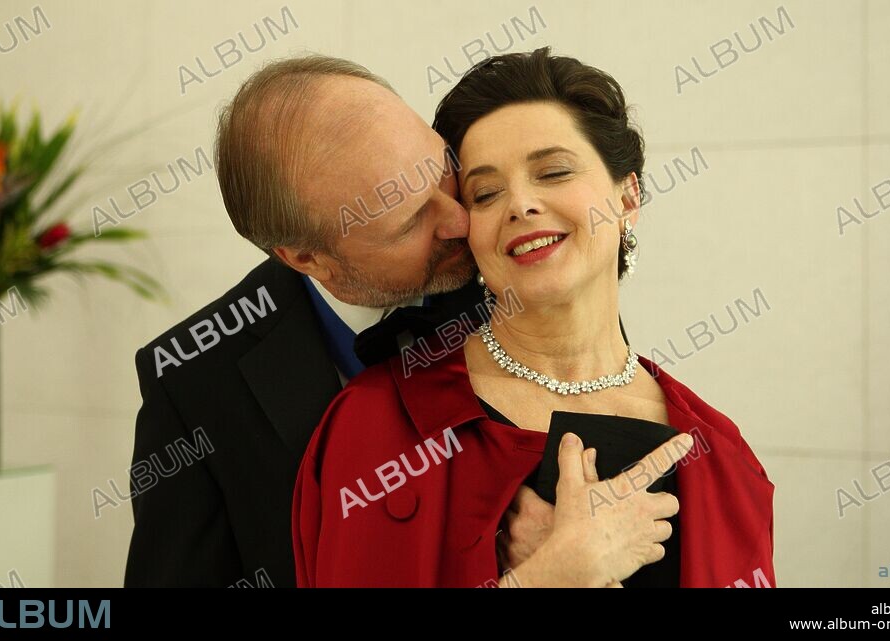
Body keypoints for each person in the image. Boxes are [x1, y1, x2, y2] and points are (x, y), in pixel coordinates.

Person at [292, 48, 776, 588]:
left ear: (628, 196)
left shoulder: (720, 453)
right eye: (486, 192)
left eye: (553, 171)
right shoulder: (383, 425)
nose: (520, 204)